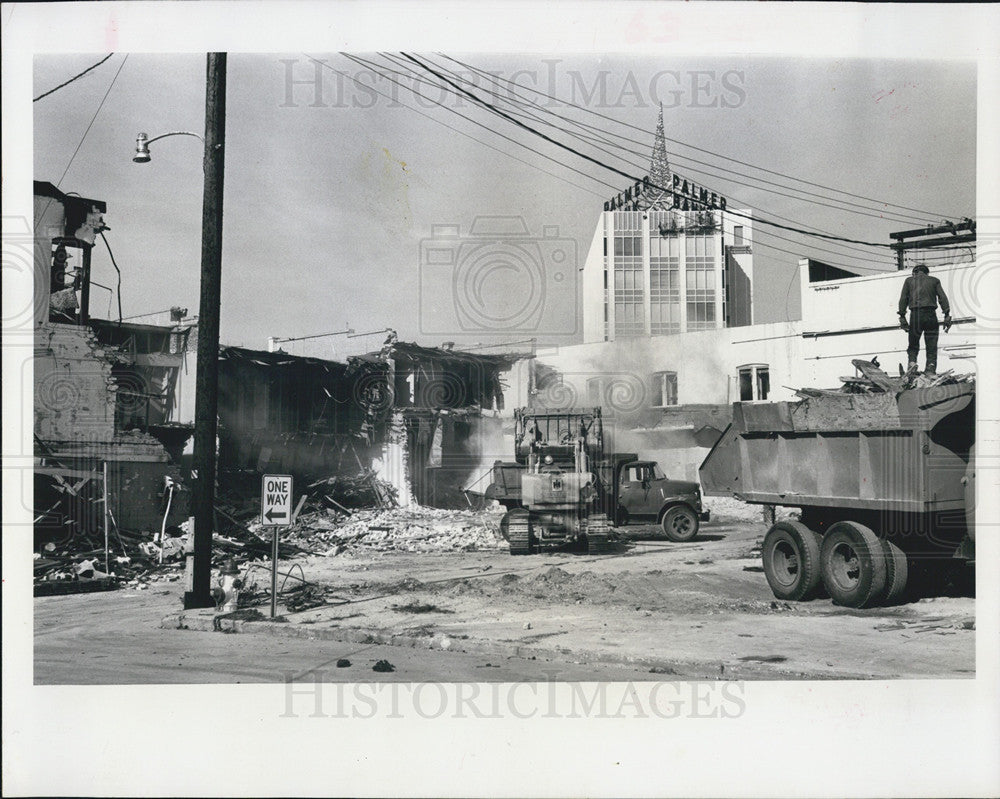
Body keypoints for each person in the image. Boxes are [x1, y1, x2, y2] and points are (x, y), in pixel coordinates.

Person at [898, 264, 952, 375]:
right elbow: (943, 298)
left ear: (914, 273)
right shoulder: (934, 280)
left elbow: (903, 299)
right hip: (931, 315)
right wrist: (947, 314)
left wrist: (902, 316)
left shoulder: (909, 281)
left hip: (916, 315)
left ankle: (912, 365)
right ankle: (930, 370)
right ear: (927, 273)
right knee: (931, 345)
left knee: (913, 344)